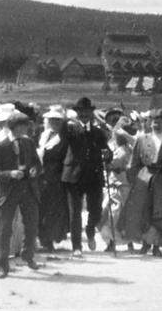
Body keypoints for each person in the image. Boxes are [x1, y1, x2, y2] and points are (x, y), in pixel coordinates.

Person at [121, 110, 162, 257]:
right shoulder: (142, 139)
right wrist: (131, 177)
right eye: (154, 122)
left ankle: (157, 245)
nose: (157, 125)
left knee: (160, 212)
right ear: (150, 123)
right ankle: (145, 244)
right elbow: (134, 161)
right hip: (144, 177)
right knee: (144, 210)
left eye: (160, 122)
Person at [0, 112, 42, 279]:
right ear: (15, 127)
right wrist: (10, 174)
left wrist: (35, 170)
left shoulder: (28, 142)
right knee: (5, 229)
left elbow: (36, 163)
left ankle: (28, 255)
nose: (26, 129)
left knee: (32, 224)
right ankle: (3, 265)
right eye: (23, 126)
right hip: (9, 191)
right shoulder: (1, 146)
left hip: (28, 188)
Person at [63, 97, 111, 256]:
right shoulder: (70, 129)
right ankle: (77, 246)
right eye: (81, 112)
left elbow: (107, 151)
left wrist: (107, 155)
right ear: (76, 114)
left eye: (87, 112)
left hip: (94, 177)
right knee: (75, 212)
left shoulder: (99, 133)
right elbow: (64, 133)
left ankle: (90, 231)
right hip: (74, 176)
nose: (84, 114)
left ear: (92, 113)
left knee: (95, 210)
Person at [37, 105, 71, 251]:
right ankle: (42, 237)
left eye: (57, 120)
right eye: (51, 120)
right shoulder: (44, 135)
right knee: (41, 207)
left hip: (57, 175)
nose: (54, 123)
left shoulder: (65, 138)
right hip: (43, 174)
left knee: (54, 209)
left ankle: (50, 239)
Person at [99, 127, 135, 252]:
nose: (118, 137)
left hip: (124, 184)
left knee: (120, 214)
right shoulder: (109, 146)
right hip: (111, 183)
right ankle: (110, 240)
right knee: (106, 212)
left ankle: (128, 241)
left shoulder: (129, 149)